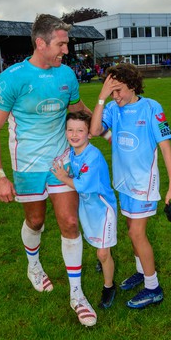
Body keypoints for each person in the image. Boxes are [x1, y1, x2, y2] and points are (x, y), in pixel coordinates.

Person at [0, 14, 97, 327]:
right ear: (41, 43)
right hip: (27, 166)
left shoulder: (67, 75)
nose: (66, 49)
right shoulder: (13, 77)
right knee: (35, 220)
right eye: (61, 44)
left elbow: (77, 110)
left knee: (70, 222)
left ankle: (77, 294)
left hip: (61, 162)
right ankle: (34, 266)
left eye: (67, 43)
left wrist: (104, 120)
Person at [90, 63, 171, 309]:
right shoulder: (112, 107)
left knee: (136, 233)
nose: (116, 96)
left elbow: (166, 147)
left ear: (133, 86)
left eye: (118, 90)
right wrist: (102, 98)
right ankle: (141, 271)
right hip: (123, 182)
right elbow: (94, 130)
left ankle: (153, 288)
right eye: (111, 92)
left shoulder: (152, 108)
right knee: (130, 227)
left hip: (144, 183)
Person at [51, 111, 117, 309]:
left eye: (80, 130)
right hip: (87, 208)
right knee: (97, 248)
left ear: (89, 134)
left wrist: (63, 177)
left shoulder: (93, 156)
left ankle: (109, 287)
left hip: (103, 210)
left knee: (103, 253)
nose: (74, 134)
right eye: (70, 130)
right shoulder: (73, 151)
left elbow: (81, 185)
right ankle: (103, 261)